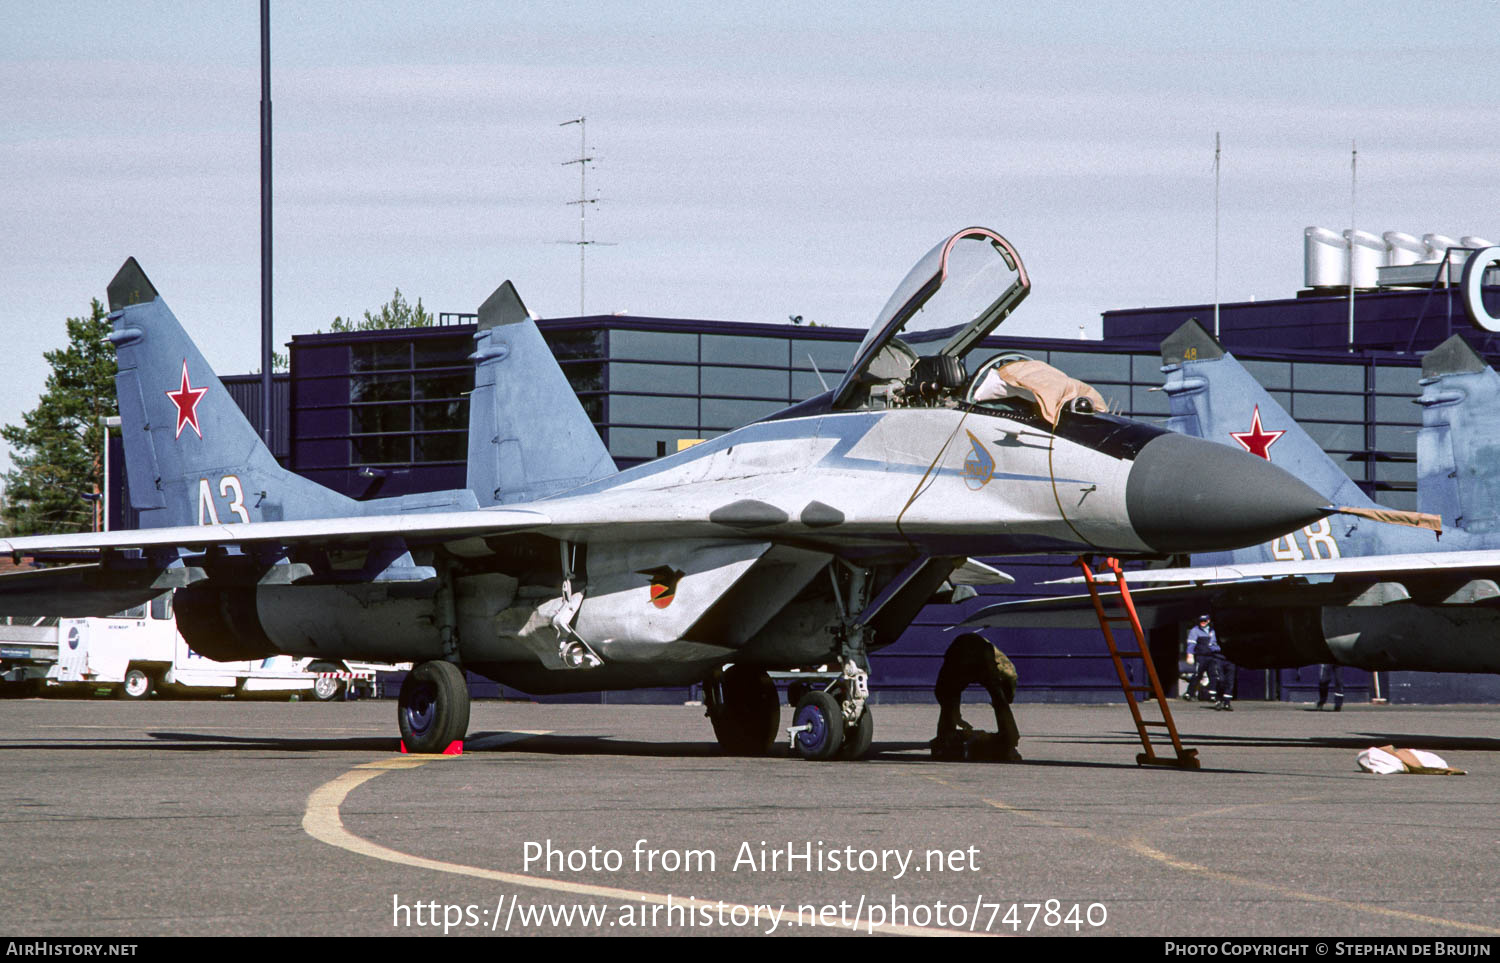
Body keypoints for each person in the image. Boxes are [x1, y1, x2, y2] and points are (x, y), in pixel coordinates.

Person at [933, 631, 1021, 761]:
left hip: (962, 654)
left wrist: (955, 717)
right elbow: (1002, 697)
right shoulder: (1003, 668)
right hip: (976, 655)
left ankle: (945, 740)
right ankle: (1008, 741)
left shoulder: (999, 665)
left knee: (950, 695)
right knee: (998, 698)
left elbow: (944, 693)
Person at [1188, 614, 1235, 711]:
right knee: (1216, 678)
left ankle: (1226, 702)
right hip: (1214, 657)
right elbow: (1211, 645)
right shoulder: (1211, 632)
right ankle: (1214, 699)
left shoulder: (1229, 631)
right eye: (1201, 621)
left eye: (1205, 621)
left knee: (1228, 680)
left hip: (1228, 659)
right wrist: (1190, 654)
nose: (1203, 623)